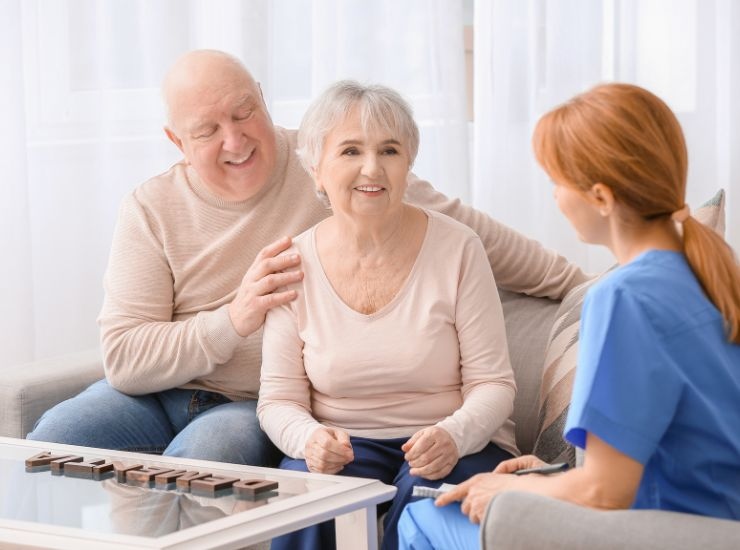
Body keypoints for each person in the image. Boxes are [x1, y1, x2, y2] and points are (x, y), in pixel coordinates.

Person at [27, 49, 587, 466]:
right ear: (177, 140)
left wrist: (581, 282)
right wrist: (232, 321)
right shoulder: (151, 208)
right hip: (150, 396)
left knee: (201, 459)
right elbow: (123, 358)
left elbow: (468, 232)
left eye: (245, 112)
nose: (235, 139)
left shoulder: (333, 158)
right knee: (46, 445)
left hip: (247, 405)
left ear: (265, 99)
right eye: (207, 130)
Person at [396, 82, 740, 549]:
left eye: (558, 182)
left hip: (662, 530)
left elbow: (606, 491)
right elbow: (673, 447)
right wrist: (548, 477)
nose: (556, 197)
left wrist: (512, 488)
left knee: (421, 519)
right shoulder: (709, 270)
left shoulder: (623, 297)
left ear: (600, 197)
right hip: (716, 522)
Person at [256, 80, 519, 550]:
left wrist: (454, 435)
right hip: (345, 446)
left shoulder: (459, 248)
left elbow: (494, 385)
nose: (372, 168)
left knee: (425, 508)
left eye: (390, 150)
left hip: (454, 441)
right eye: (351, 151)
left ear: (408, 163)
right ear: (316, 168)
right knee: (305, 499)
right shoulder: (293, 263)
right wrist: (309, 440)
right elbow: (277, 400)